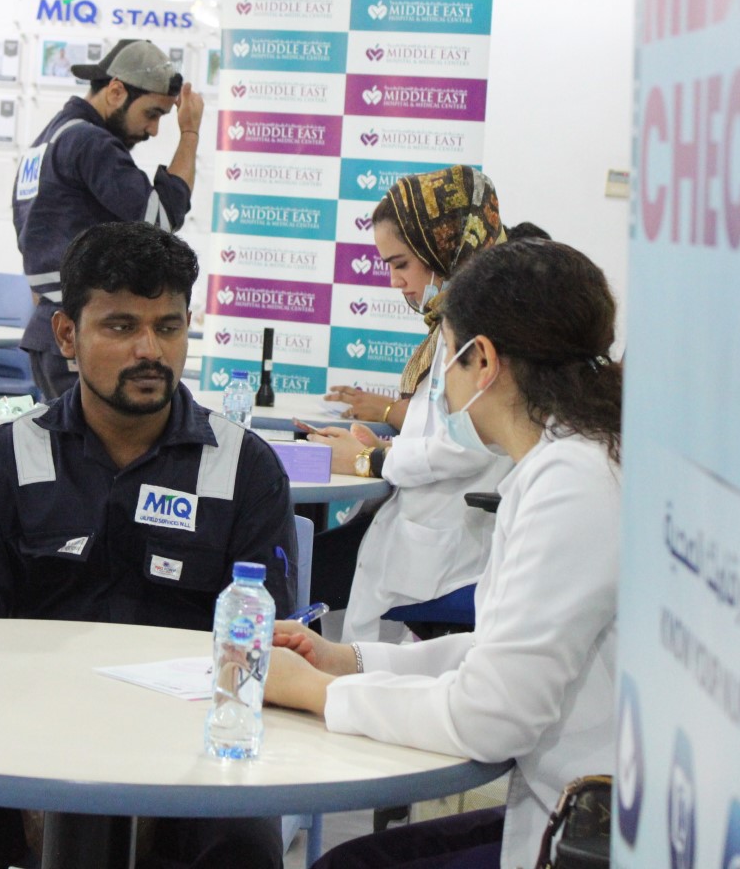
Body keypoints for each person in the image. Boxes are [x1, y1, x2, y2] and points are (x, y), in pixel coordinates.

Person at [0, 221, 295, 869]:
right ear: (66, 335)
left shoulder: (245, 470)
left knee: (244, 845)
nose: (149, 350)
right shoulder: (4, 462)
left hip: (186, 760)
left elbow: (267, 656)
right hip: (16, 744)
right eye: (120, 326)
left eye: (168, 326)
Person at [265, 238, 623, 869]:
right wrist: (347, 661)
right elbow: (500, 654)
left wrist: (318, 693)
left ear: (482, 360)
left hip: (584, 832)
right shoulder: (568, 462)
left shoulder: (572, 484)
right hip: (568, 805)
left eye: (444, 363)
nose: (441, 394)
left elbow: (490, 717)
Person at [308, 166, 514, 642]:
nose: (395, 282)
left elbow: (467, 446)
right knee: (310, 569)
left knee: (299, 574)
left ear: (444, 247)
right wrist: (381, 445)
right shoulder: (453, 323)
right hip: (424, 524)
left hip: (453, 545)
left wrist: (368, 459)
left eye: (401, 264)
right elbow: (439, 430)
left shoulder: (485, 330)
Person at [13, 39, 204, 400]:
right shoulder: (90, 142)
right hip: (85, 333)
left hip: (53, 328)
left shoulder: (50, 138)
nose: (153, 130)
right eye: (152, 113)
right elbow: (161, 223)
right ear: (116, 91)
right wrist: (190, 134)